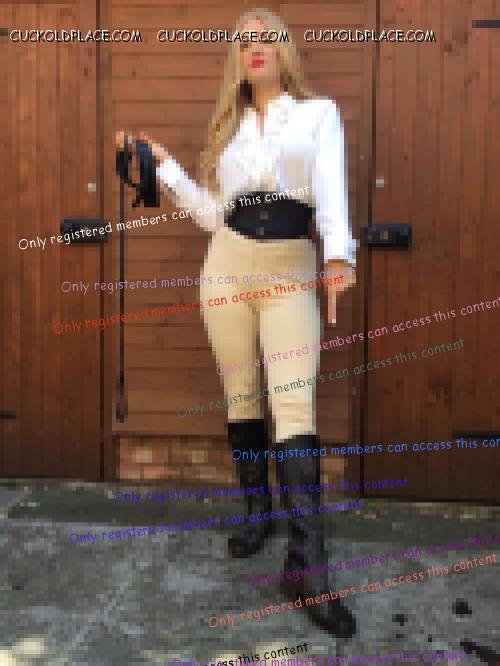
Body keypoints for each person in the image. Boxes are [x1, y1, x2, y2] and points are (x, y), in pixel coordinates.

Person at [116, 7, 357, 638]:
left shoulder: (318, 114)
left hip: (289, 267)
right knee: (242, 396)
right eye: (244, 41)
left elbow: (331, 191)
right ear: (237, 57)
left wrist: (339, 255)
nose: (255, 48)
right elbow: (211, 215)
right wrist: (166, 168)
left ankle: (308, 568)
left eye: (264, 39)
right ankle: (258, 513)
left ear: (283, 50)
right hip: (225, 267)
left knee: (294, 404)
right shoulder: (228, 128)